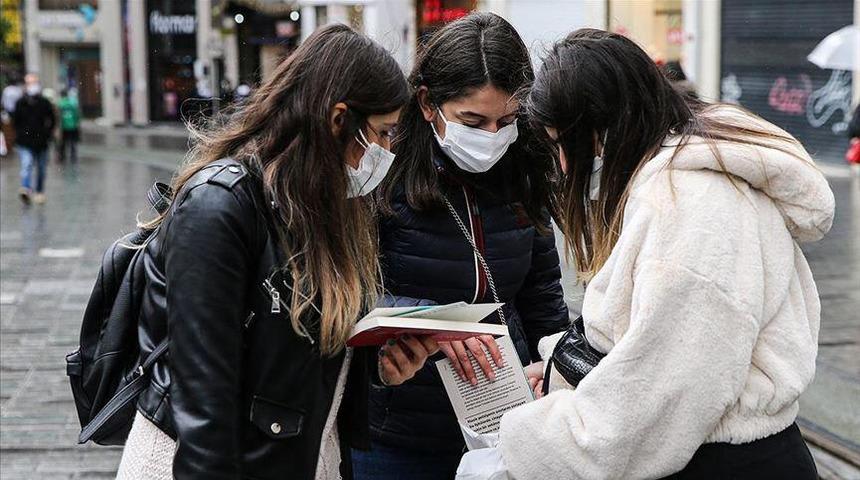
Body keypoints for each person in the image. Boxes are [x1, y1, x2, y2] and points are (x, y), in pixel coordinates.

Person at [465, 28, 834, 479]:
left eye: (562, 144)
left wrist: (528, 439)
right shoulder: (677, 182)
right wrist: (567, 367)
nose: (563, 164)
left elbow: (660, 396)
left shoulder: (690, 206)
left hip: (721, 462)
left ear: (599, 132)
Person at [115, 25, 437, 480]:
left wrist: (378, 367)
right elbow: (204, 404)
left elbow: (296, 349)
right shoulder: (218, 205)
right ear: (337, 119)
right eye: (383, 133)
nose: (386, 152)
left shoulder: (330, 205)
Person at [353, 12, 569, 480]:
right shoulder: (380, 172)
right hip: (400, 429)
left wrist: (556, 375)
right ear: (428, 104)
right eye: (473, 120)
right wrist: (432, 319)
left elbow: (541, 291)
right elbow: (344, 289)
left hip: (504, 422)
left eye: (507, 120)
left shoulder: (524, 168)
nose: (492, 137)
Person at [13, 73, 55, 205]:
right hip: (24, 141)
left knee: (41, 168)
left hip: (41, 141)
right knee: (27, 163)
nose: (32, 86)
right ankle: (25, 188)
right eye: (29, 83)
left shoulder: (44, 102)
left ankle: (39, 191)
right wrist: (20, 134)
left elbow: (52, 119)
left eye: (34, 83)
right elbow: (16, 121)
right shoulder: (20, 103)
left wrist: (47, 133)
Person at [57, 88, 81, 164]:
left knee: (63, 143)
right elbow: (77, 115)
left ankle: (62, 157)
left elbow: (58, 116)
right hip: (73, 126)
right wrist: (77, 124)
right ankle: (73, 157)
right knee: (72, 142)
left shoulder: (60, 103)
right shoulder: (73, 103)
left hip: (63, 127)